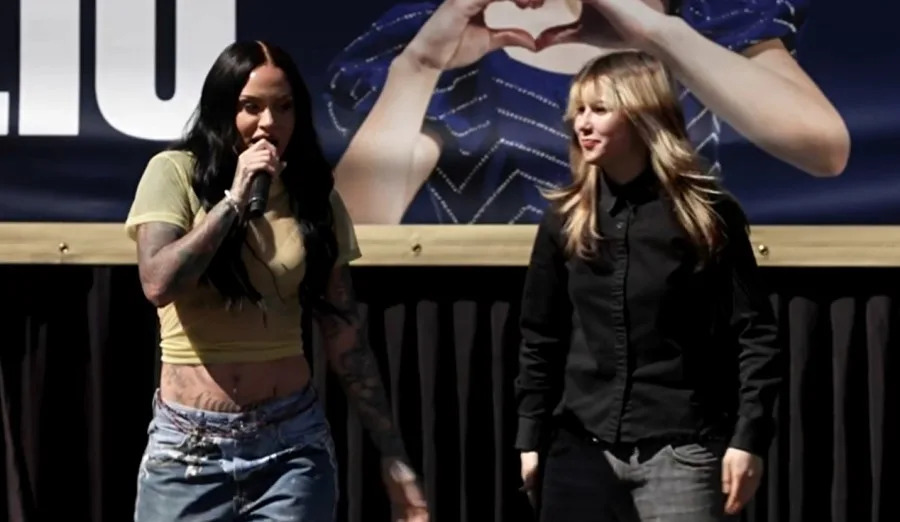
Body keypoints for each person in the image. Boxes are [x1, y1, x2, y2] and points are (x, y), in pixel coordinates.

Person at [124, 40, 428, 522]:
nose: (269, 123)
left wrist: (392, 453)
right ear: (223, 109)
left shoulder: (313, 195)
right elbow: (158, 283)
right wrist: (232, 204)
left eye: (283, 107)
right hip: (190, 450)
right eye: (252, 107)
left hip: (290, 446)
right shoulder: (175, 174)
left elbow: (343, 331)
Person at [514, 50, 782, 521]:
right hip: (580, 454)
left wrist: (748, 438)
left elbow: (755, 334)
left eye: (599, 109)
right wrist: (530, 438)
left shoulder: (705, 213)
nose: (583, 123)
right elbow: (541, 336)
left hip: (682, 453)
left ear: (642, 113)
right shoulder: (566, 218)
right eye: (578, 110)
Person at [321, 0, 850, 225]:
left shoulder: (701, 12)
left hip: (675, 327)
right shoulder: (456, 27)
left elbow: (823, 148)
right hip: (513, 331)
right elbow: (356, 230)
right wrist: (418, 68)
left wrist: (659, 34)